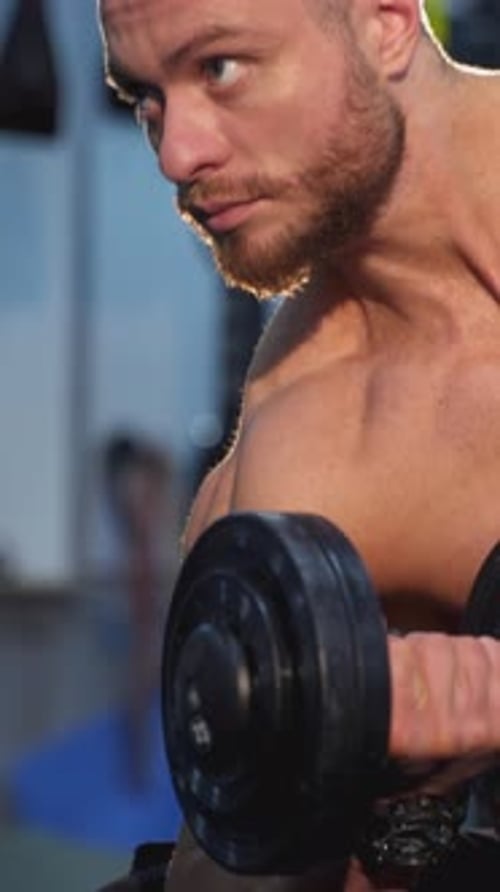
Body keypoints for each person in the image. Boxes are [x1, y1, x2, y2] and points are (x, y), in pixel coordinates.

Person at [97, 0, 500, 889]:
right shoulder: (308, 430)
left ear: (388, 21)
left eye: (220, 69)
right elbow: (227, 866)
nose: (176, 156)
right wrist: (399, 804)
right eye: (146, 99)